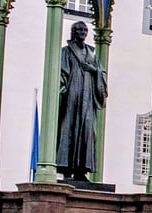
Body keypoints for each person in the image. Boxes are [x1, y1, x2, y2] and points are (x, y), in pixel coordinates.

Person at [57, 21, 107, 181]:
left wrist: (94, 71)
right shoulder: (66, 52)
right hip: (72, 97)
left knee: (87, 130)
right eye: (79, 30)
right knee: (69, 128)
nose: (83, 32)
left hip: (87, 98)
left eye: (85, 30)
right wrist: (62, 92)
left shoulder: (92, 53)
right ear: (73, 32)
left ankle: (81, 170)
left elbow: (102, 73)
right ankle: (66, 169)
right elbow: (61, 75)